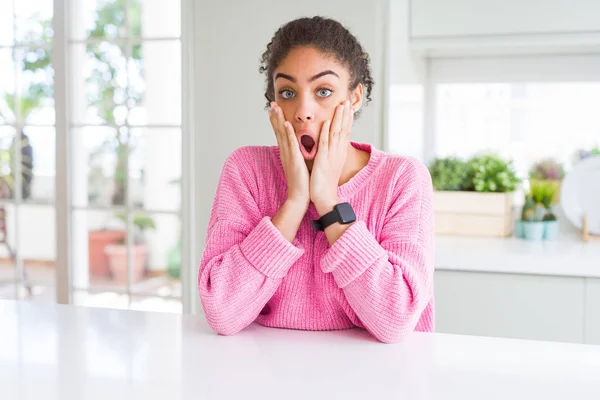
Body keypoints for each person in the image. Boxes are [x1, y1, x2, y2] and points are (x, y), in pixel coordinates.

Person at [198, 16, 435, 343]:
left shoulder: (402, 179)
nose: (303, 111)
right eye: (287, 92)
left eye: (323, 91)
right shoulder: (246, 170)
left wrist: (327, 199)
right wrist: (295, 201)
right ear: (274, 104)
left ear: (353, 98)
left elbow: (395, 319)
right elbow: (222, 310)